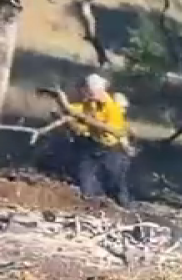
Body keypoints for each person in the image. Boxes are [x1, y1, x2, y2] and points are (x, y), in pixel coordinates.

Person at [44, 74, 132, 206]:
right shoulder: (90, 103)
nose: (85, 93)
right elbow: (73, 111)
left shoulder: (112, 108)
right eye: (86, 90)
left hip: (113, 151)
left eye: (89, 91)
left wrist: (88, 121)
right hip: (93, 147)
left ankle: (128, 211)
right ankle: (91, 206)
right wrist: (60, 100)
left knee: (116, 186)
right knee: (86, 182)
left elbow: (117, 131)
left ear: (100, 91)